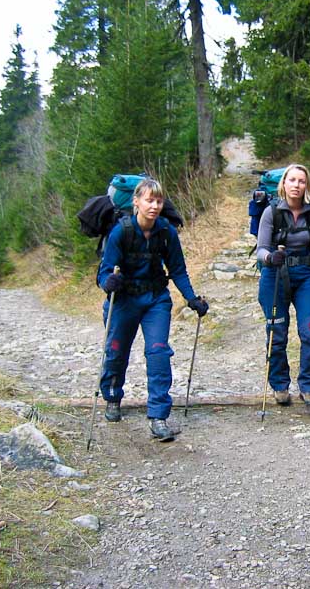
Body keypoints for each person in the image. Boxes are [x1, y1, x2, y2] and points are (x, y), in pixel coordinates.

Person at [97, 178, 209, 441]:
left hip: (156, 299)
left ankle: (158, 416)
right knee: (115, 352)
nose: (155, 206)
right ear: (136, 202)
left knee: (158, 353)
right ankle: (112, 397)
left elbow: (178, 269)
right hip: (124, 300)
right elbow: (104, 272)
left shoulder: (166, 232)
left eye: (159, 201)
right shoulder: (120, 232)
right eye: (149, 200)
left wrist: (192, 299)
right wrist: (108, 282)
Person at [255, 164, 310, 414]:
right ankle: (280, 385)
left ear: (307, 186)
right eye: (292, 180)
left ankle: (309, 386)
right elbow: (261, 249)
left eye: (301, 181)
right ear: (284, 184)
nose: (296, 185)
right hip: (275, 276)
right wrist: (270, 258)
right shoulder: (271, 212)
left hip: (306, 275)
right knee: (277, 332)